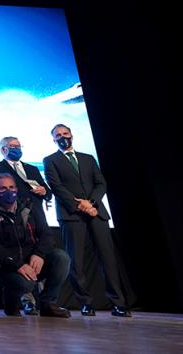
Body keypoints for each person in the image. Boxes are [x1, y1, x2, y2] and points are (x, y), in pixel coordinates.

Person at [43, 124, 131, 317]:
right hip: (71, 215)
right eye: (58, 135)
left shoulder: (88, 158)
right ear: (53, 139)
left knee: (108, 259)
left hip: (96, 212)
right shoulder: (50, 160)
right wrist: (80, 206)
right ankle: (85, 302)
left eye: (65, 133)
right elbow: (56, 187)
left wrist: (90, 203)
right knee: (77, 260)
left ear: (71, 135)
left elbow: (101, 183)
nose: (62, 137)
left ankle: (118, 303)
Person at [0, 173, 71, 318]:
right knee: (26, 284)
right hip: (9, 266)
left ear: (17, 189)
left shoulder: (30, 207)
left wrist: (39, 254)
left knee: (61, 258)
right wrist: (18, 265)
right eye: (3, 188)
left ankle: (47, 303)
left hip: (33, 260)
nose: (9, 191)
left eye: (11, 187)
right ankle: (11, 302)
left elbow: (46, 235)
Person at [0, 136, 51, 227]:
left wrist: (44, 191)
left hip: (37, 216)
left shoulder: (32, 169)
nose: (16, 149)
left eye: (18, 146)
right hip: (12, 216)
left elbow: (47, 192)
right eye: (12, 146)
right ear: (3, 150)